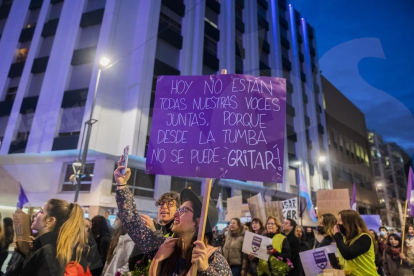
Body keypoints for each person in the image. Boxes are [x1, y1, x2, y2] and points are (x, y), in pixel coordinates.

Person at [114, 160, 232, 275]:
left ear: (198, 221)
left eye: (183, 210)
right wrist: (122, 185)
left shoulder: (215, 261)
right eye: (179, 209)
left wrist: (205, 270)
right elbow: (133, 224)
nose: (176, 213)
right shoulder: (166, 247)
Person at [18, 199, 98, 276]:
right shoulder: (51, 246)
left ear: (50, 221)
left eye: (41, 211)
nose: (35, 214)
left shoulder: (49, 250)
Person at [128, 191, 180, 271]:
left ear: (178, 210)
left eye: (169, 204)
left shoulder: (178, 232)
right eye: (161, 204)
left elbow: (168, 258)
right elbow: (133, 261)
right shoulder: (153, 226)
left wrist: (154, 232)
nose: (164, 207)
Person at [333, 210, 377, 276]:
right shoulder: (345, 239)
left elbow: (348, 254)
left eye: (340, 220)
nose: (337, 223)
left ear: (349, 222)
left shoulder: (364, 238)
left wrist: (337, 235)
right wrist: (338, 264)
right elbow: (348, 262)